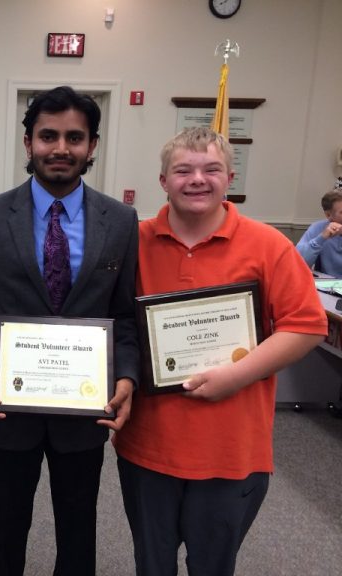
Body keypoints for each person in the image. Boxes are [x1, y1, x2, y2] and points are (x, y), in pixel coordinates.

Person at [113, 127, 328, 576]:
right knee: (151, 566)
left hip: (232, 449)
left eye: (211, 169)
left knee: (212, 567)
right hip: (148, 445)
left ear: (229, 177)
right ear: (163, 180)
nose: (197, 179)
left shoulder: (268, 245)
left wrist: (236, 375)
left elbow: (306, 326)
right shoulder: (132, 242)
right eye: (183, 170)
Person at [0, 85, 139, 575]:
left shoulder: (120, 221)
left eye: (74, 137)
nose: (61, 148)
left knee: (78, 532)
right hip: (6, 408)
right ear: (28, 141)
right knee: (4, 530)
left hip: (84, 410)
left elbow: (124, 314)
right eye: (48, 136)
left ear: (92, 146)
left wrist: (127, 379)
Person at [295, 188, 342, 277]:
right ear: (328, 215)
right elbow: (297, 262)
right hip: (328, 286)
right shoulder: (318, 228)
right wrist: (321, 238)